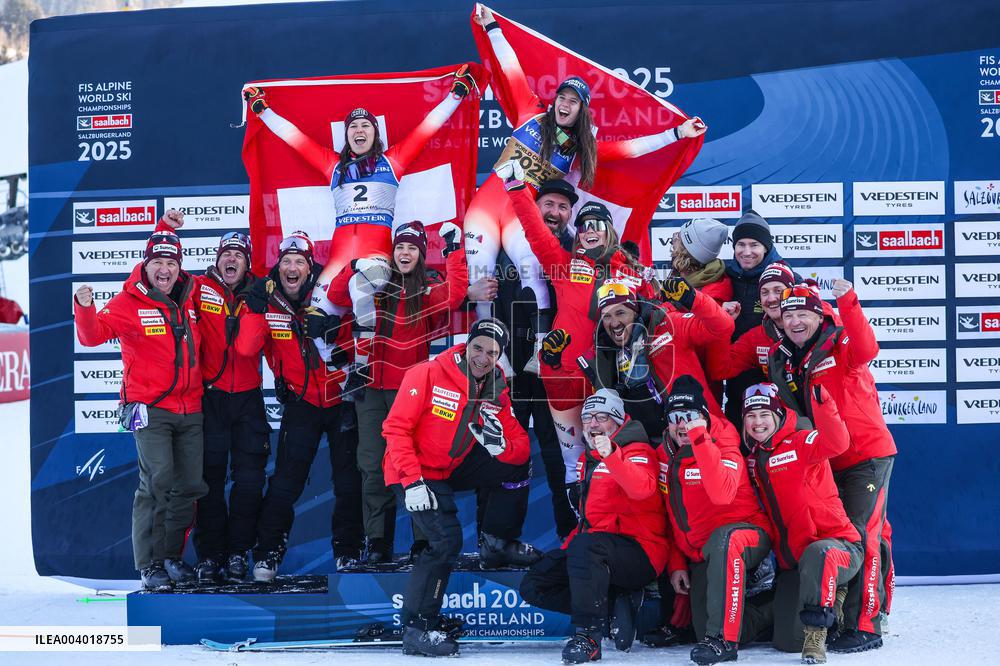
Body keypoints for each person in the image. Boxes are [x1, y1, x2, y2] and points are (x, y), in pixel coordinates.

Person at [467, 4, 706, 369]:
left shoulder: (580, 150)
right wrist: (492, 27)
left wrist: (677, 133)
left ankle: (541, 354)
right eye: (562, 97)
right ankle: (489, 360)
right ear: (555, 101)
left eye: (573, 102)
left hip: (519, 212)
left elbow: (631, 150)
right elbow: (512, 69)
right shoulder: (528, 111)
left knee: (534, 274)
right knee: (481, 278)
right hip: (484, 208)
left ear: (581, 111)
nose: (565, 104)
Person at [243, 66, 477, 369]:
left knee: (361, 290)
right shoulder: (333, 166)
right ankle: (338, 363)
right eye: (353, 127)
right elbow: (294, 138)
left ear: (374, 134)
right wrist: (262, 111)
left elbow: (427, 127)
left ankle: (362, 367)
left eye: (365, 126)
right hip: (340, 261)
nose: (359, 131)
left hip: (374, 256)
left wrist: (457, 94)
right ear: (347, 135)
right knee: (315, 320)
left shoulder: (393, 161)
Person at [382, 317, 541, 657]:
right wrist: (412, 482)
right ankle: (418, 627)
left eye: (492, 352)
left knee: (517, 464)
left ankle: (496, 540)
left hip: (451, 466)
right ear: (466, 345)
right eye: (478, 347)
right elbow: (395, 430)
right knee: (446, 540)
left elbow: (520, 444)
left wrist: (501, 447)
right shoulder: (426, 373)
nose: (483, 357)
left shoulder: (495, 385)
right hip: (413, 470)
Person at [501, 160, 655, 491]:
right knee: (573, 466)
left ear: (610, 230)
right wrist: (516, 189)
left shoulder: (632, 275)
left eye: (597, 224)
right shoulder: (564, 266)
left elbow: (656, 318)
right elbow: (536, 231)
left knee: (614, 457)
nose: (589, 230)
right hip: (563, 378)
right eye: (584, 225)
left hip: (609, 379)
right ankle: (578, 527)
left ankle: (613, 524)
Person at [326, 220, 468, 563]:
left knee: (416, 465)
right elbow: (335, 295)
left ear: (421, 256)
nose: (405, 253)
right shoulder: (373, 284)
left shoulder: (426, 292)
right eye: (400, 247)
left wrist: (453, 250)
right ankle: (378, 541)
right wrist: (354, 266)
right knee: (373, 467)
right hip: (372, 391)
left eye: (413, 248)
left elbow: (457, 293)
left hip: (413, 394)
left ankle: (424, 541)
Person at [766, 281, 896, 653]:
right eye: (788, 315)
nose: (794, 321)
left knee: (864, 535)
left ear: (818, 315)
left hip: (865, 455)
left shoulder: (839, 343)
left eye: (802, 314)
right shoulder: (787, 357)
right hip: (826, 458)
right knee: (844, 539)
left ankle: (866, 626)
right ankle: (846, 617)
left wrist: (847, 299)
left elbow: (868, 346)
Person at [74, 230, 207, 591]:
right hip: (148, 408)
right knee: (158, 480)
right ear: (145, 265)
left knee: (189, 484)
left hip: (191, 406)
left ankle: (170, 558)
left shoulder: (192, 296)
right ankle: (148, 565)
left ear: (179, 267)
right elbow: (92, 335)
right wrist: (84, 306)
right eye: (157, 263)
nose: (164, 270)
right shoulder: (129, 301)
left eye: (171, 262)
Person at [235, 232, 363, 580]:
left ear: (310, 268)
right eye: (286, 261)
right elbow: (247, 349)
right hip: (301, 402)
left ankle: (349, 550)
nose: (292, 268)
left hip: (342, 401)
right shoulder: (268, 300)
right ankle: (268, 553)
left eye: (300, 262)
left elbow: (362, 336)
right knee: (286, 482)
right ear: (279, 265)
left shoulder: (329, 293)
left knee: (349, 481)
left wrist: (336, 329)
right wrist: (254, 311)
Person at [154, 210, 270, 582]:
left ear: (247, 262)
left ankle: (238, 553)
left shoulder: (259, 292)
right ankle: (210, 557)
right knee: (209, 482)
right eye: (226, 253)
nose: (231, 258)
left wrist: (254, 307)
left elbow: (252, 347)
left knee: (250, 481)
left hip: (249, 400)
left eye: (239, 254)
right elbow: (160, 269)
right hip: (211, 399)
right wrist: (165, 229)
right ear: (216, 258)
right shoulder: (197, 286)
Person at [520, 389, 669, 663]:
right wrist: (565, 553)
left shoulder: (638, 451)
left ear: (618, 420)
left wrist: (612, 454)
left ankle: (588, 637)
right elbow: (586, 522)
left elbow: (642, 490)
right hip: (596, 551)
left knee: (585, 547)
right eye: (587, 418)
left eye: (601, 417)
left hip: (642, 552)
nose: (593, 424)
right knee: (536, 582)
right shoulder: (585, 459)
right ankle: (613, 606)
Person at [741, 383, 863, 664]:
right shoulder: (755, 459)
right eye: (751, 416)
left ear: (778, 414)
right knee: (786, 642)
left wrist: (824, 404)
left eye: (764, 414)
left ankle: (817, 633)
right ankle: (825, 602)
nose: (757, 422)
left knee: (817, 553)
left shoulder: (801, 441)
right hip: (796, 563)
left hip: (839, 547)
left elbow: (837, 443)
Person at [657, 376, 774, 665]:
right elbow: (668, 513)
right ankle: (773, 602)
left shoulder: (724, 440)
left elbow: (722, 494)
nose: (682, 424)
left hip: (747, 534)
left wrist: (701, 439)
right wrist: (676, 563)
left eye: (690, 416)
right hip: (703, 554)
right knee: (701, 627)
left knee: (726, 539)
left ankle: (723, 640)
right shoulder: (664, 453)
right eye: (674, 418)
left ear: (704, 417)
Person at [487, 177, 579, 539]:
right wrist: (471, 292)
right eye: (548, 205)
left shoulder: (579, 251)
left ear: (570, 213)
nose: (554, 212)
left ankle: (570, 539)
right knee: (506, 456)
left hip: (558, 376)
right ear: (535, 208)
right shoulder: (505, 246)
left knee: (562, 462)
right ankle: (496, 542)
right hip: (512, 371)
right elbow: (480, 303)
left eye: (562, 206)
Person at [583, 277, 733, 444]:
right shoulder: (602, 351)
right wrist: (554, 365)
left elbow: (723, 326)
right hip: (647, 447)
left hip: (696, 431)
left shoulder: (667, 324)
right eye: (607, 316)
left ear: (636, 311)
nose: (615, 323)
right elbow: (568, 399)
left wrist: (694, 299)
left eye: (620, 312)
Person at [721, 211, 788, 425]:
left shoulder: (785, 277)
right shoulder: (725, 275)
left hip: (780, 378)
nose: (746, 252)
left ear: (766, 247)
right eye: (741, 244)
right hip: (737, 376)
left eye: (754, 245)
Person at [668, 218, 732, 304]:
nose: (673, 241)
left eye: (678, 238)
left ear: (686, 253)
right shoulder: (682, 274)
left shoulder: (712, 296)